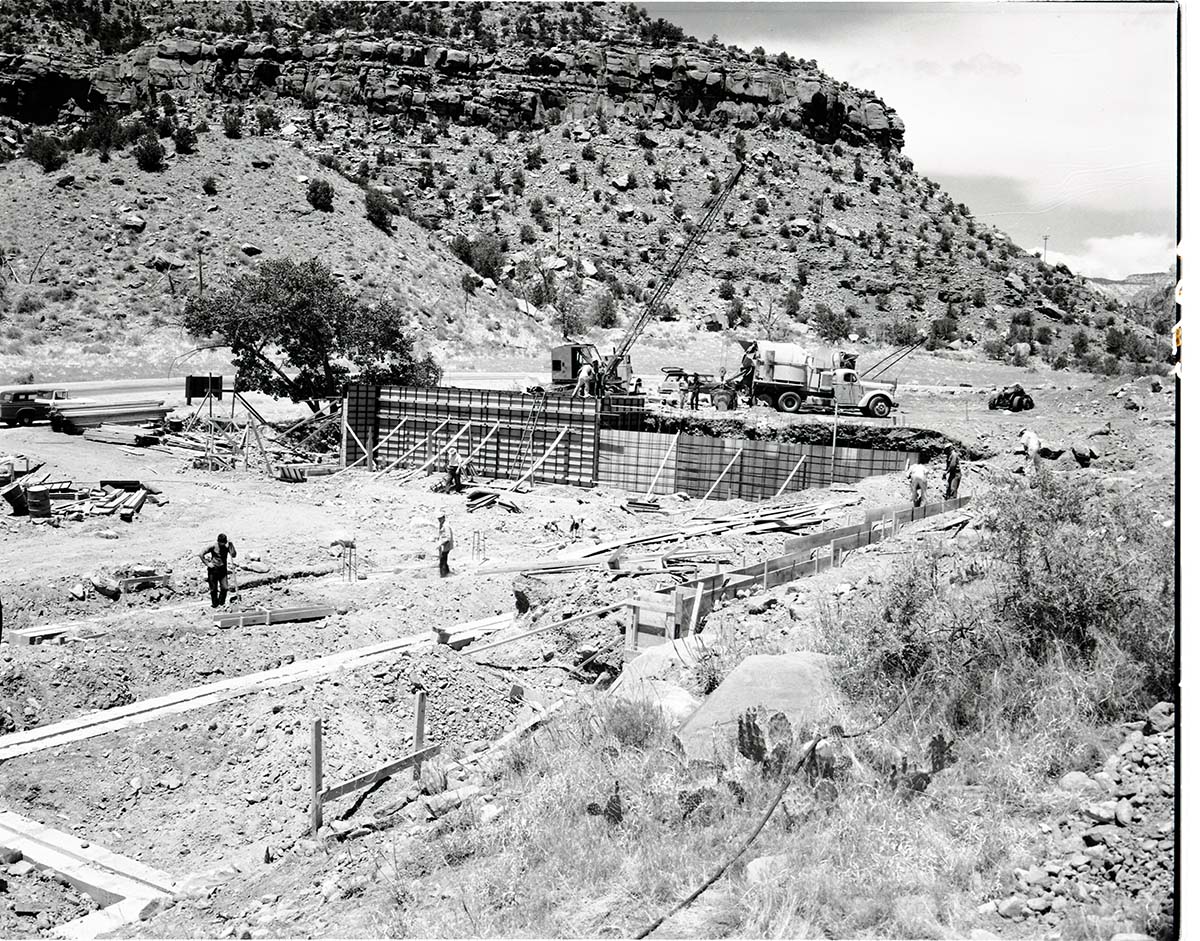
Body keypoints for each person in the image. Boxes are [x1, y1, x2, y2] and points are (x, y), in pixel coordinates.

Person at [200, 533, 237, 608]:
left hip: (223, 570)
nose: (222, 544)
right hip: (213, 570)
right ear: (218, 541)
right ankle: (215, 604)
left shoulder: (227, 546)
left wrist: (231, 545)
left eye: (224, 543)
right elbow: (201, 554)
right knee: (213, 589)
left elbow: (233, 555)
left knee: (225, 588)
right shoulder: (213, 546)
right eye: (221, 543)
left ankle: (221, 603)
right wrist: (207, 563)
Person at [437, 511, 454, 578]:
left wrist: (443, 543)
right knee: (443, 559)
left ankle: (443, 574)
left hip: (445, 545)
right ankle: (446, 572)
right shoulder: (442, 525)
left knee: (442, 560)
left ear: (443, 518)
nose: (439, 520)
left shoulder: (446, 526)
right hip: (443, 544)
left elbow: (448, 537)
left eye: (440, 519)